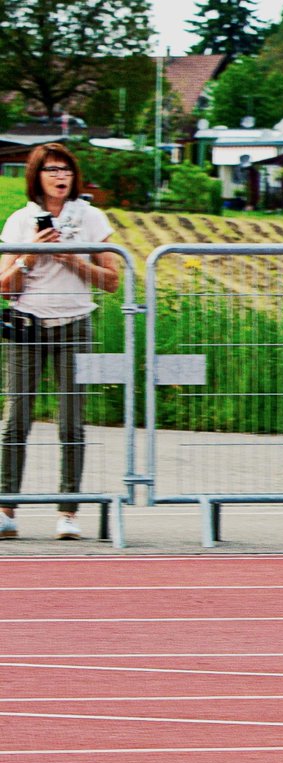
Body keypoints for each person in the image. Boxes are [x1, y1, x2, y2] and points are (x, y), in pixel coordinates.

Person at [0, 143, 120, 540]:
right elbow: (4, 286)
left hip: (74, 326)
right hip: (27, 324)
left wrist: (72, 259)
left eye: (65, 169)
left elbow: (113, 280)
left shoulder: (91, 218)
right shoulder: (20, 221)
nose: (60, 176)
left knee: (72, 420)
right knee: (17, 418)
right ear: (37, 176)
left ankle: (68, 512)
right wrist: (29, 256)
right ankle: (6, 508)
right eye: (51, 169)